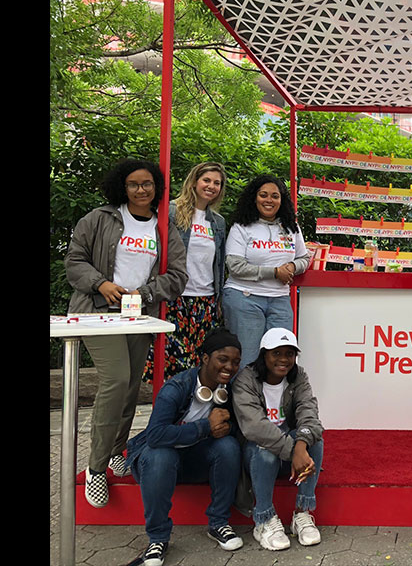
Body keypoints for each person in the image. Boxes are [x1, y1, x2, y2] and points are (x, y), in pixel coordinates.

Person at [65, 158, 188, 509]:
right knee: (116, 381)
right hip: (97, 313)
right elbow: (74, 261)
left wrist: (147, 292)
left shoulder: (164, 226)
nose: (140, 190)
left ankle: (118, 448)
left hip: (139, 316)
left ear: (157, 188)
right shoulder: (100, 218)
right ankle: (96, 467)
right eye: (134, 184)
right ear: (123, 186)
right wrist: (101, 283)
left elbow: (177, 275)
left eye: (147, 184)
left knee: (132, 386)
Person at [123, 329, 244, 566]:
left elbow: (238, 429)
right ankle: (158, 539)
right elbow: (155, 436)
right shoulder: (176, 388)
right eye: (223, 359)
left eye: (235, 362)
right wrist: (205, 427)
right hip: (156, 464)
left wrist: (227, 429)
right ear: (205, 358)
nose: (229, 366)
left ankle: (218, 523)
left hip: (193, 460)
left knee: (228, 446)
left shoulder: (229, 390)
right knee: (161, 456)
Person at [232, 328, 324, 551]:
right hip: (255, 453)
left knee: (315, 441)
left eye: (289, 354)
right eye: (277, 353)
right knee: (265, 451)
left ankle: (302, 514)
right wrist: (296, 451)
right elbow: (255, 427)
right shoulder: (246, 380)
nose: (284, 359)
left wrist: (301, 445)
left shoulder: (298, 375)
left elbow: (309, 412)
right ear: (264, 354)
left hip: (289, 455)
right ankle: (263, 519)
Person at [144, 162, 228, 383]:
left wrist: (217, 300)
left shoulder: (218, 222)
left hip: (205, 300)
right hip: (175, 298)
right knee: (172, 362)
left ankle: (191, 413)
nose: (211, 186)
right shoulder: (171, 211)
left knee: (200, 363)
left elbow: (218, 264)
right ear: (194, 181)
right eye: (206, 180)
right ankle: (168, 413)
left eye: (217, 183)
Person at [222, 174, 311, 367]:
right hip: (244, 298)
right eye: (263, 195)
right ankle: (244, 398)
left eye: (275, 196)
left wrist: (293, 266)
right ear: (254, 198)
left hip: (280, 300)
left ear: (282, 200)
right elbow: (235, 266)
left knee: (281, 360)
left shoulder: (291, 227)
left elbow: (304, 258)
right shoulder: (241, 227)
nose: (269, 200)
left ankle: (271, 398)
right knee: (248, 360)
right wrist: (275, 272)